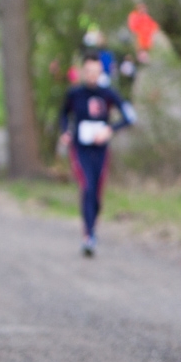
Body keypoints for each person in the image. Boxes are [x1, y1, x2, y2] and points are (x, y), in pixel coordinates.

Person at [59, 55, 134, 256]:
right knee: (87, 187)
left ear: (101, 73)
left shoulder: (108, 94)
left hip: (101, 150)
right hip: (80, 148)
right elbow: (63, 114)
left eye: (96, 71)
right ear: (83, 72)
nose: (92, 75)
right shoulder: (75, 93)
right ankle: (88, 235)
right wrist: (65, 132)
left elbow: (129, 117)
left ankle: (92, 224)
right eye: (89, 71)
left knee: (97, 193)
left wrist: (110, 129)